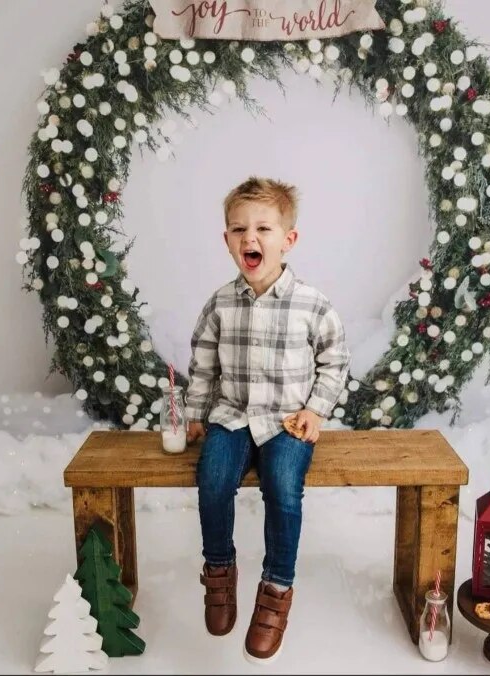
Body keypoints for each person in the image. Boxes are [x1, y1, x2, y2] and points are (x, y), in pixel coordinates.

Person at [185, 176, 351, 664]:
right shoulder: (220, 303)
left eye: (262, 228)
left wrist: (316, 410)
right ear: (227, 241)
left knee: (282, 485)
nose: (249, 239)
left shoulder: (311, 303)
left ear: (288, 239)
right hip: (233, 415)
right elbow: (203, 364)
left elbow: (335, 360)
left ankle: (276, 589)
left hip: (288, 422)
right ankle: (219, 571)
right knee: (212, 479)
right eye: (239, 230)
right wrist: (195, 415)